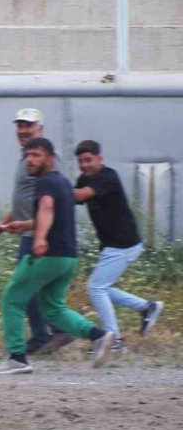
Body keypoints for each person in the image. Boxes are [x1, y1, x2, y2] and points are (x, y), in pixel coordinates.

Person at [0, 138, 115, 374]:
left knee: (12, 298)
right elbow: (54, 215)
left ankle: (17, 357)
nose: (30, 159)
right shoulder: (63, 183)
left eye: (36, 155)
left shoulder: (45, 182)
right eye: (28, 155)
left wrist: (39, 238)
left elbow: (47, 208)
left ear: (50, 159)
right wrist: (27, 225)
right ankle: (99, 336)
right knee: (53, 309)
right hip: (67, 258)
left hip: (48, 255)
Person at [0, 108, 73, 354]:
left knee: (23, 287)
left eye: (29, 126)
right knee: (34, 288)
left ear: (40, 129)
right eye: (20, 126)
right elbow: (23, 201)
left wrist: (41, 234)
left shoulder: (40, 161)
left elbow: (50, 201)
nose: (23, 131)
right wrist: (3, 226)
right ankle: (49, 333)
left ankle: (47, 334)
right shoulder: (27, 159)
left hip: (36, 235)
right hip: (28, 232)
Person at [73, 140, 163, 354]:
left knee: (96, 288)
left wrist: (52, 187)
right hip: (113, 245)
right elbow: (71, 201)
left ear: (99, 159)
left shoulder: (108, 176)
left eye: (89, 160)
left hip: (123, 243)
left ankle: (113, 339)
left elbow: (80, 195)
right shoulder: (83, 179)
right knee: (101, 288)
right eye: (81, 162)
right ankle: (146, 307)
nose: (85, 165)